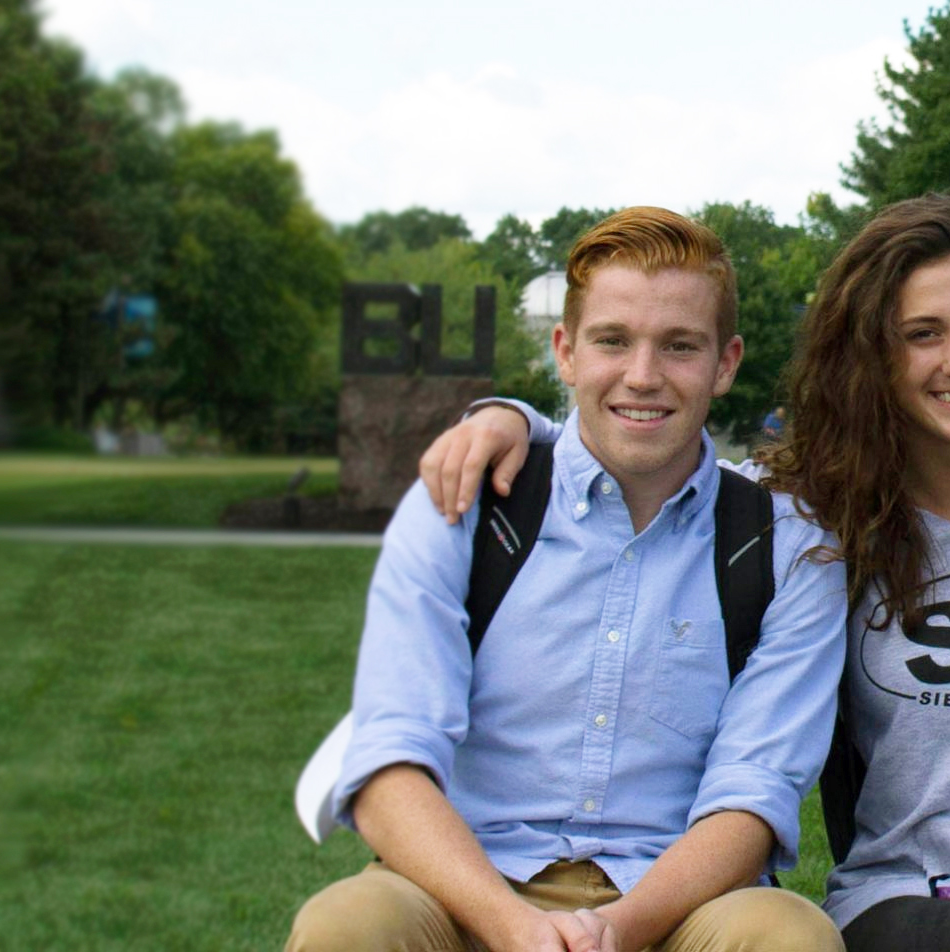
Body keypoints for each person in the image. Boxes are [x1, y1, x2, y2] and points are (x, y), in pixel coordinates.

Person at [422, 195, 950, 952]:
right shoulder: (810, 506)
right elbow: (659, 459)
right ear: (872, 351)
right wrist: (512, 420)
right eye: (921, 333)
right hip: (911, 889)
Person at [285, 207, 847, 952]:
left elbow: (752, 799)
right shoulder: (465, 502)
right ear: (566, 351)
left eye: (679, 346)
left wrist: (609, 932)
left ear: (726, 362)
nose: (642, 376)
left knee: (788, 937)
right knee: (346, 927)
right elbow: (391, 758)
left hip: (676, 901)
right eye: (613, 341)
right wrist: (513, 927)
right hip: (462, 884)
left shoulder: (788, 548)